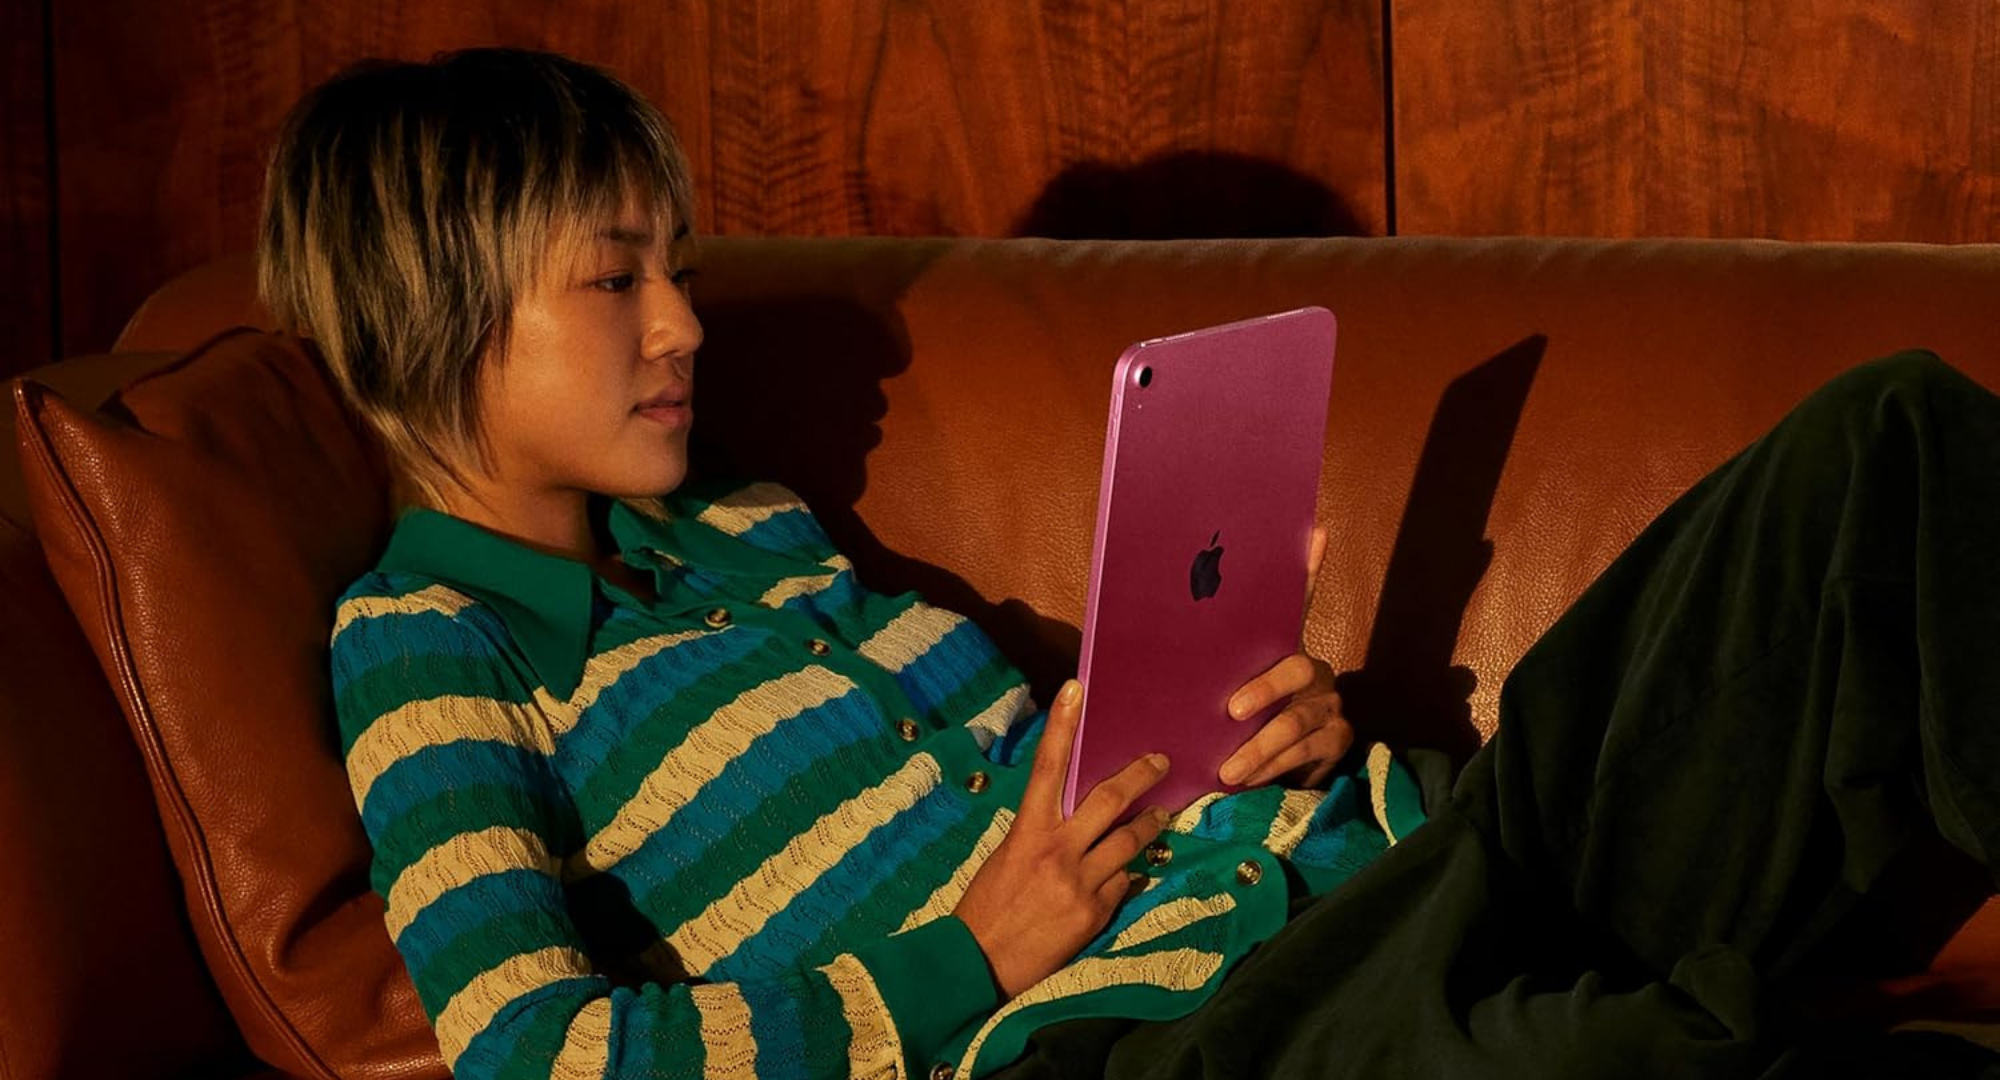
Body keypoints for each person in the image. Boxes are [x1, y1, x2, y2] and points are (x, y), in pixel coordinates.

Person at [268, 48, 2000, 1080]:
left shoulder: (752, 523)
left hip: (1390, 865)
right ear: (443, 310)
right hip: (1168, 1042)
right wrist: (972, 957)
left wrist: (1274, 740)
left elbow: (1085, 785)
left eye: (680, 270)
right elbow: (532, 1056)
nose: (683, 324)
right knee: (1656, 1058)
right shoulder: (432, 643)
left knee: (1884, 446)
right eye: (616, 277)